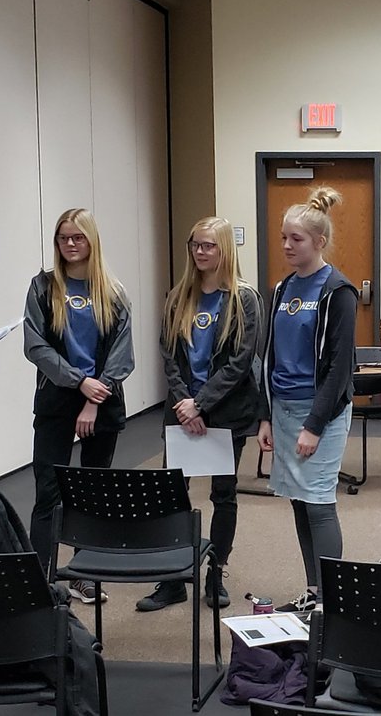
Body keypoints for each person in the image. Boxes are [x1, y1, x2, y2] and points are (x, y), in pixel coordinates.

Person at [136, 217, 263, 612]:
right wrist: (185, 404)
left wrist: (201, 403)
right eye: (195, 244)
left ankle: (215, 572)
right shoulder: (179, 297)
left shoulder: (244, 299)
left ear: (225, 249)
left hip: (226, 412)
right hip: (182, 411)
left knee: (223, 495)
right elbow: (169, 356)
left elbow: (240, 362)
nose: (200, 252)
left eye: (209, 245)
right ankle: (173, 579)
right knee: (173, 496)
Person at [24, 208, 134, 603]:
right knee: (48, 492)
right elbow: (35, 346)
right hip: (57, 399)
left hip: (101, 401)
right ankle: (40, 579)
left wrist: (93, 396)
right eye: (63, 238)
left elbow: (123, 356)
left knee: (91, 493)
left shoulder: (113, 291)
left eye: (78, 237)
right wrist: (78, 382)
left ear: (92, 241)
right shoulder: (42, 287)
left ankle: (84, 575)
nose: (70, 244)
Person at [256, 187, 357, 614]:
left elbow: (339, 368)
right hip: (283, 409)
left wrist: (314, 425)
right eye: (283, 237)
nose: (286, 245)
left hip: (322, 413)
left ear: (319, 241)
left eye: (295, 239)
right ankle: (314, 591)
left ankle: (332, 600)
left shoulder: (338, 290)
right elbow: (270, 355)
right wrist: (265, 416)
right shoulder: (282, 289)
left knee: (318, 502)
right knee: (298, 501)